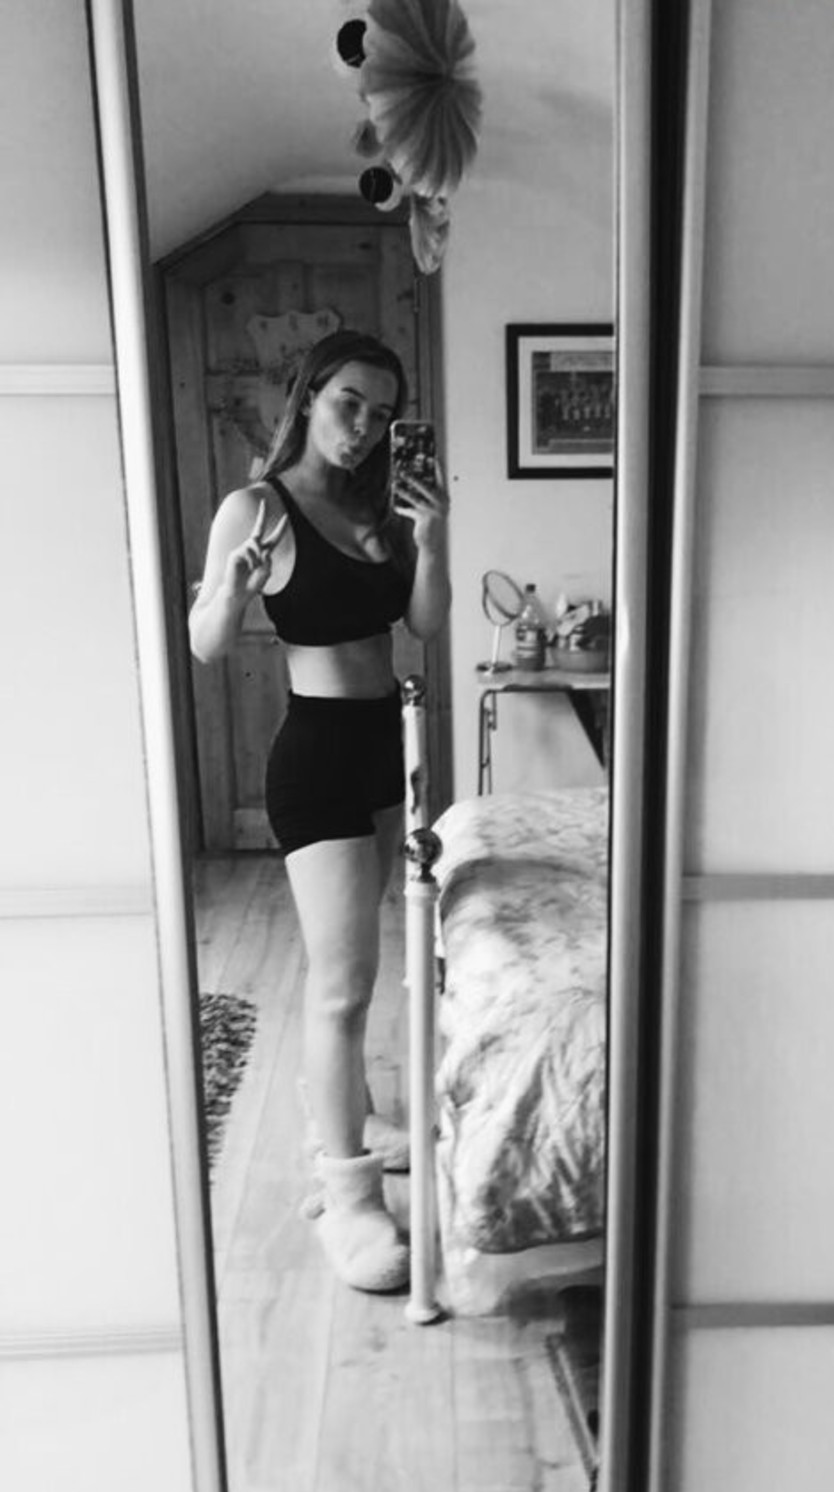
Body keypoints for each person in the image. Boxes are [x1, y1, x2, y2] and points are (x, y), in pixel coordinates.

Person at [189, 330, 450, 1292]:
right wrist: (231, 591)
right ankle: (348, 1198)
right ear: (308, 396)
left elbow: (423, 623)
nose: (365, 426)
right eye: (350, 402)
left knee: (355, 964)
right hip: (317, 759)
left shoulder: (377, 505)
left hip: (385, 745)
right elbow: (206, 643)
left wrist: (433, 537)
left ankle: (353, 1117)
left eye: (383, 413)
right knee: (342, 986)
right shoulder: (257, 506)